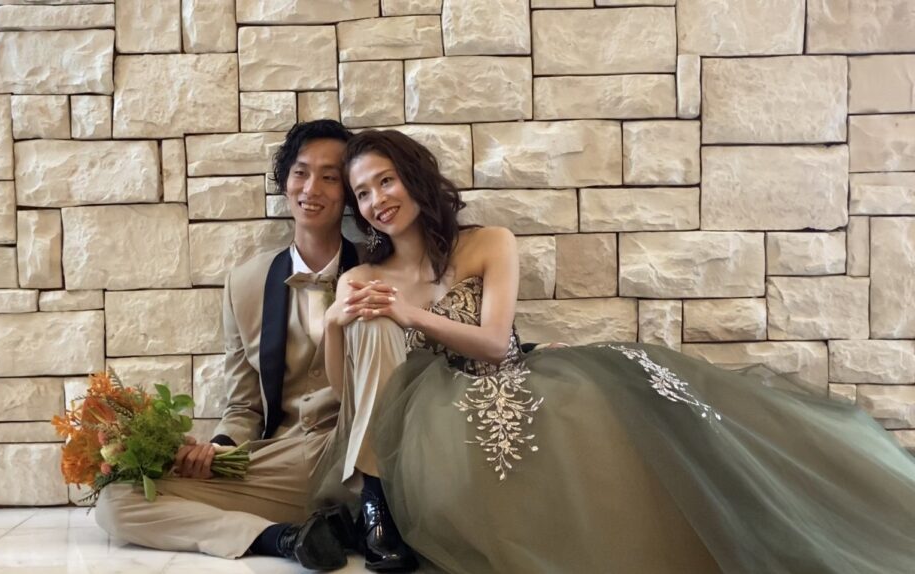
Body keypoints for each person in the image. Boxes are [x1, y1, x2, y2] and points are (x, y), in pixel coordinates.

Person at [320, 129, 915, 574]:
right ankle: (377, 501)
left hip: (507, 373)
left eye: (386, 181)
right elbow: (352, 395)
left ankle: (761, 511)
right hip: (425, 418)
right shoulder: (363, 278)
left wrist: (411, 314)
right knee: (368, 321)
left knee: (638, 412)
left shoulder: (488, 243)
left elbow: (496, 344)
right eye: (362, 193)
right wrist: (333, 324)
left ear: (415, 177)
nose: (377, 200)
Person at [95, 120, 361, 571]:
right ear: (285, 182)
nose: (311, 188)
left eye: (330, 177)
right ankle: (285, 538)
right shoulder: (245, 283)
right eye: (300, 172)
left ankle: (345, 517)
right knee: (118, 500)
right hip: (280, 464)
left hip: (355, 457)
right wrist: (218, 449)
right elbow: (244, 406)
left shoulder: (381, 271)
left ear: (349, 191)